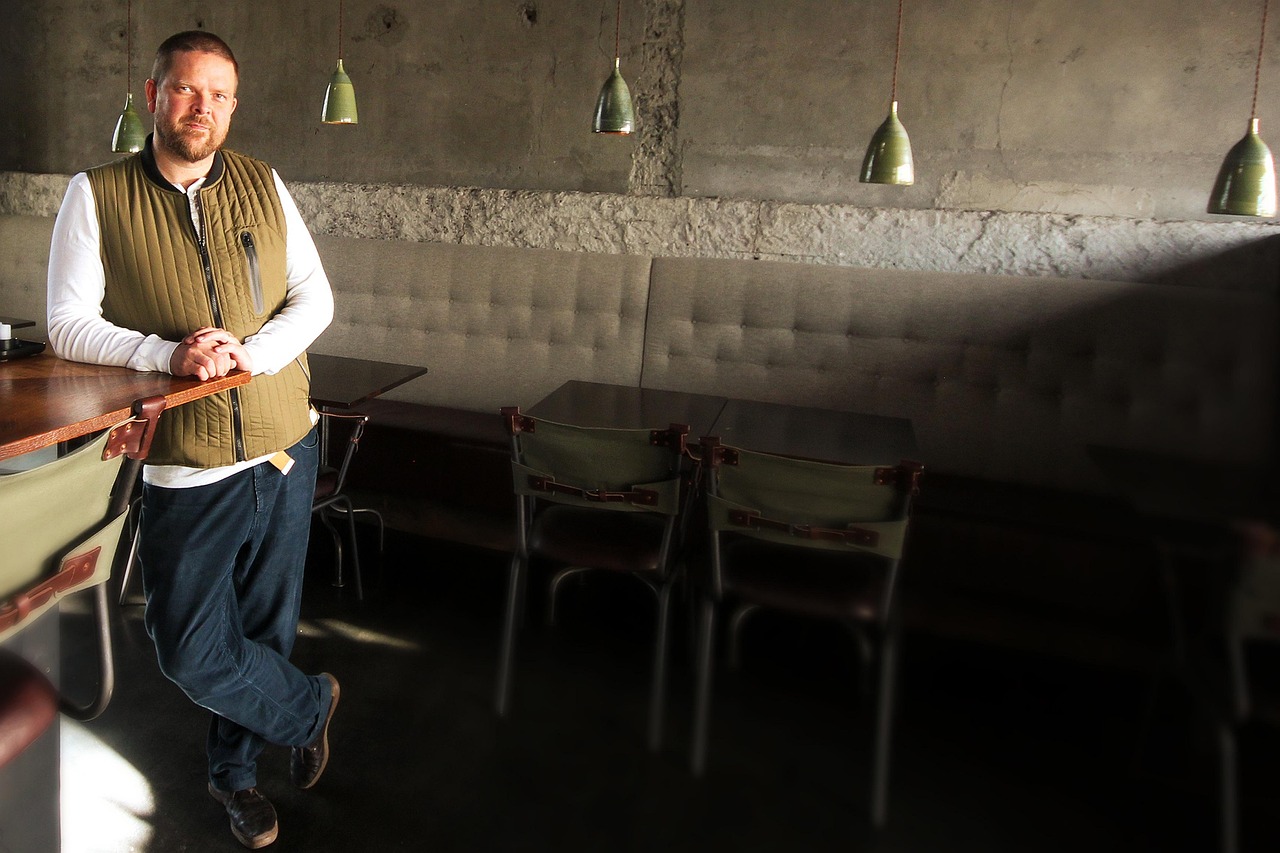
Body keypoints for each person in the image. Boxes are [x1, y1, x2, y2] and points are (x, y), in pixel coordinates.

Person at [47, 31, 338, 850]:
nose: (201, 107)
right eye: (184, 89)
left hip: (284, 445)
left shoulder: (263, 183)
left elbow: (314, 299)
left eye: (218, 95)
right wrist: (165, 355)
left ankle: (235, 778)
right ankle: (309, 707)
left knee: (267, 628)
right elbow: (68, 323)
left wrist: (253, 355)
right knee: (189, 647)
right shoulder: (95, 194)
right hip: (187, 461)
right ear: (153, 95)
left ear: (233, 106)